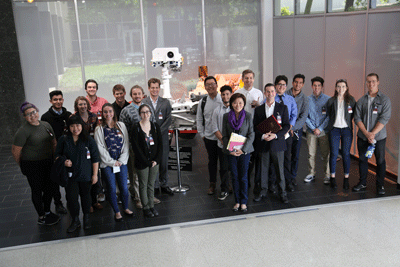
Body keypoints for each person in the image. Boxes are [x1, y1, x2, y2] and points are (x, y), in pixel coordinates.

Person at [12, 102, 60, 226]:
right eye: (28, 114)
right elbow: (16, 151)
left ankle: (48, 211)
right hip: (32, 165)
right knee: (37, 190)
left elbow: (54, 142)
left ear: (37, 111)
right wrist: (22, 165)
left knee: (49, 188)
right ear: (24, 116)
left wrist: (55, 159)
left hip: (47, 162)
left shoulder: (45, 125)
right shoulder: (23, 131)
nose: (32, 116)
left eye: (33, 112)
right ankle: (41, 216)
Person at [55, 115, 100, 232]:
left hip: (86, 175)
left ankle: (86, 218)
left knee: (86, 197)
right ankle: (75, 220)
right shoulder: (63, 139)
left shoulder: (89, 140)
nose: (75, 128)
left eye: (78, 125)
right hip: (70, 177)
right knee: (72, 199)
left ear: (82, 126)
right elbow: (56, 156)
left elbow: (95, 159)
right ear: (68, 127)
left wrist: (95, 175)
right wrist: (64, 161)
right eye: (72, 126)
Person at [120, 85, 160, 208]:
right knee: (136, 174)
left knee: (149, 173)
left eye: (139, 93)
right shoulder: (126, 111)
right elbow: (123, 131)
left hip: (149, 148)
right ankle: (138, 197)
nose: (137, 96)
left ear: (143, 94)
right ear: (131, 96)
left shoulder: (148, 108)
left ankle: (149, 196)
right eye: (134, 94)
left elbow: (153, 126)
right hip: (134, 148)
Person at [353, 73, 391, 195]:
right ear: (366, 83)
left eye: (373, 81)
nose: (371, 84)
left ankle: (380, 185)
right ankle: (362, 183)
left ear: (378, 82)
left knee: (380, 161)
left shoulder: (384, 100)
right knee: (363, 160)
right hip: (363, 137)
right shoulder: (361, 100)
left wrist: (373, 134)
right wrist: (366, 133)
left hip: (379, 138)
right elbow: (357, 118)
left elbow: (384, 118)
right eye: (368, 81)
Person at [94, 104, 134, 222]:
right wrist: (112, 162)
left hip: (121, 162)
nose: (108, 114)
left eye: (110, 111)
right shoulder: (99, 129)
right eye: (105, 112)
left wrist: (121, 160)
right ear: (102, 113)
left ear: (113, 112)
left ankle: (126, 208)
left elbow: (126, 143)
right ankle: (117, 211)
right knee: (111, 188)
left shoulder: (121, 125)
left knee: (124, 187)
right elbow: (100, 148)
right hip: (107, 164)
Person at [253, 83, 290, 204]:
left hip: (277, 143)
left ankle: (282, 193)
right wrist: (263, 136)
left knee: (279, 170)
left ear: (275, 93)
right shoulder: (258, 109)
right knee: (263, 169)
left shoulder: (282, 108)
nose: (270, 94)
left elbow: (286, 126)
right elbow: (255, 127)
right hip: (263, 143)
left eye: (272, 91)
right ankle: (263, 191)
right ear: (264, 93)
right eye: (267, 91)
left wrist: (276, 135)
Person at [222, 93, 254, 212]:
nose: (237, 105)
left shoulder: (248, 116)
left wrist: (243, 149)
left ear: (244, 104)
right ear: (231, 104)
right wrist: (230, 150)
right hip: (231, 152)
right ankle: (237, 201)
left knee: (244, 177)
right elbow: (224, 135)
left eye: (240, 103)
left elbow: (251, 134)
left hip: (244, 152)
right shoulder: (226, 116)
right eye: (235, 102)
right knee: (234, 176)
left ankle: (244, 201)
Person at [41, 90, 71, 214]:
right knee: (55, 179)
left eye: (60, 99)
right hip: (53, 153)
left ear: (63, 100)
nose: (58, 101)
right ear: (51, 101)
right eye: (55, 100)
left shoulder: (68, 115)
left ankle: (71, 200)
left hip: (68, 152)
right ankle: (58, 203)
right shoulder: (45, 117)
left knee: (69, 177)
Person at [130, 104, 162, 218]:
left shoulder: (155, 126)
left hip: (154, 162)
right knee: (143, 185)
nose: (145, 114)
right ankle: (146, 208)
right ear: (139, 114)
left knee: (151, 184)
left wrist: (156, 160)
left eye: (147, 111)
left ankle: (151, 205)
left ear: (150, 113)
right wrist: (147, 162)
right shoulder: (135, 127)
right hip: (142, 162)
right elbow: (136, 148)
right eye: (143, 112)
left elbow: (160, 145)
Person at [142, 78, 174, 196]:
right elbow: (143, 118)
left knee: (164, 161)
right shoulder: (144, 102)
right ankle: (154, 186)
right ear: (149, 88)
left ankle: (164, 184)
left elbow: (168, 118)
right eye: (152, 87)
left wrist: (158, 132)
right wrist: (151, 132)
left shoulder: (165, 102)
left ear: (159, 88)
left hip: (163, 137)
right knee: (153, 161)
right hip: (148, 137)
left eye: (156, 87)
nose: (155, 90)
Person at [73, 96, 103, 211]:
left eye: (84, 104)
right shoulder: (73, 117)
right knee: (85, 177)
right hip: (80, 149)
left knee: (95, 175)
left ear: (88, 105)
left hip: (93, 147)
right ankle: (88, 203)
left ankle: (95, 200)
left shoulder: (93, 117)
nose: (83, 106)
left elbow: (98, 132)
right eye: (80, 104)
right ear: (77, 106)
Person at [269, 75, 297, 192]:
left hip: (286, 134)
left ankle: (288, 182)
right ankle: (273, 183)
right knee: (274, 159)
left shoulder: (290, 99)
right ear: (275, 85)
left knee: (287, 158)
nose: (282, 87)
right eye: (279, 84)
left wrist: (288, 127)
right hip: (273, 134)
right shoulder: (271, 97)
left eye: (284, 85)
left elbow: (294, 115)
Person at [326, 79, 356, 189]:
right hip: (334, 129)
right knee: (333, 153)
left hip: (346, 130)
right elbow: (328, 114)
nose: (341, 89)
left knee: (346, 154)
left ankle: (346, 178)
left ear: (347, 88)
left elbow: (352, 115)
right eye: (338, 86)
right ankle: (332, 178)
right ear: (335, 88)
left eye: (343, 86)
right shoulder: (331, 100)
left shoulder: (351, 100)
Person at [196, 76, 224, 195]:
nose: (210, 86)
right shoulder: (202, 102)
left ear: (217, 85)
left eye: (213, 84)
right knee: (212, 162)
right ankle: (212, 184)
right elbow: (199, 118)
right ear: (205, 87)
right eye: (208, 84)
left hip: (223, 138)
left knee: (224, 162)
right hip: (209, 138)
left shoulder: (223, 99)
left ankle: (225, 184)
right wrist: (202, 134)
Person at [304, 76, 330, 184]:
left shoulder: (328, 99)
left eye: (319, 85)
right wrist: (313, 128)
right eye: (314, 85)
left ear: (322, 87)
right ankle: (311, 173)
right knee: (311, 154)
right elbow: (305, 116)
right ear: (311, 86)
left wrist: (319, 128)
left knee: (325, 154)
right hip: (311, 131)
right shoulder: (307, 99)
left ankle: (327, 175)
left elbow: (329, 116)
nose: (316, 87)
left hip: (323, 132)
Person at [286, 74, 309, 186]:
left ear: (303, 84)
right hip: (284, 130)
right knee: (285, 154)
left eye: (300, 82)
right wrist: (287, 128)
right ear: (292, 83)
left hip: (296, 130)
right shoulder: (285, 94)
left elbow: (303, 117)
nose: (298, 84)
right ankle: (284, 176)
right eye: (296, 82)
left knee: (295, 154)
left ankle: (292, 176)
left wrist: (293, 127)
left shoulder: (305, 99)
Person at [211, 85, 232, 201]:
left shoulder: (236, 108)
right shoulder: (216, 111)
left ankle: (234, 188)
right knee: (224, 168)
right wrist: (224, 141)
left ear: (231, 95)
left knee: (234, 167)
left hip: (235, 145)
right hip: (222, 144)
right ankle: (224, 189)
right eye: (223, 94)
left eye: (227, 94)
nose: (225, 96)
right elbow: (214, 128)